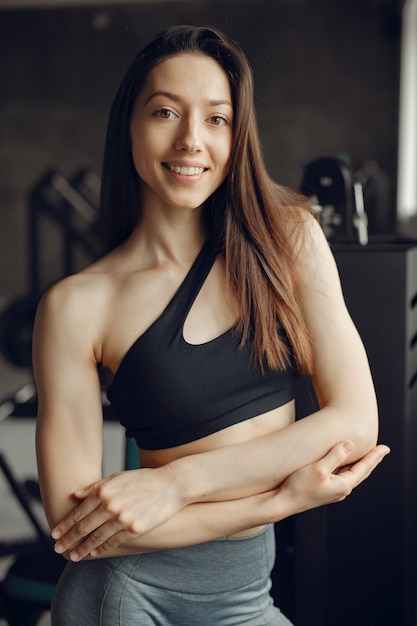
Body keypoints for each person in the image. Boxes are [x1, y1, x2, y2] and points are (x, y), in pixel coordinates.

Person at [33, 24, 389, 626]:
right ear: (130, 125)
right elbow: (77, 531)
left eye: (216, 119)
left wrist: (179, 482)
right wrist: (278, 500)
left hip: (248, 597)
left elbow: (355, 422)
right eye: (166, 112)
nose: (191, 140)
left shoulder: (289, 238)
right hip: (125, 597)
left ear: (237, 132)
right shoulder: (78, 305)